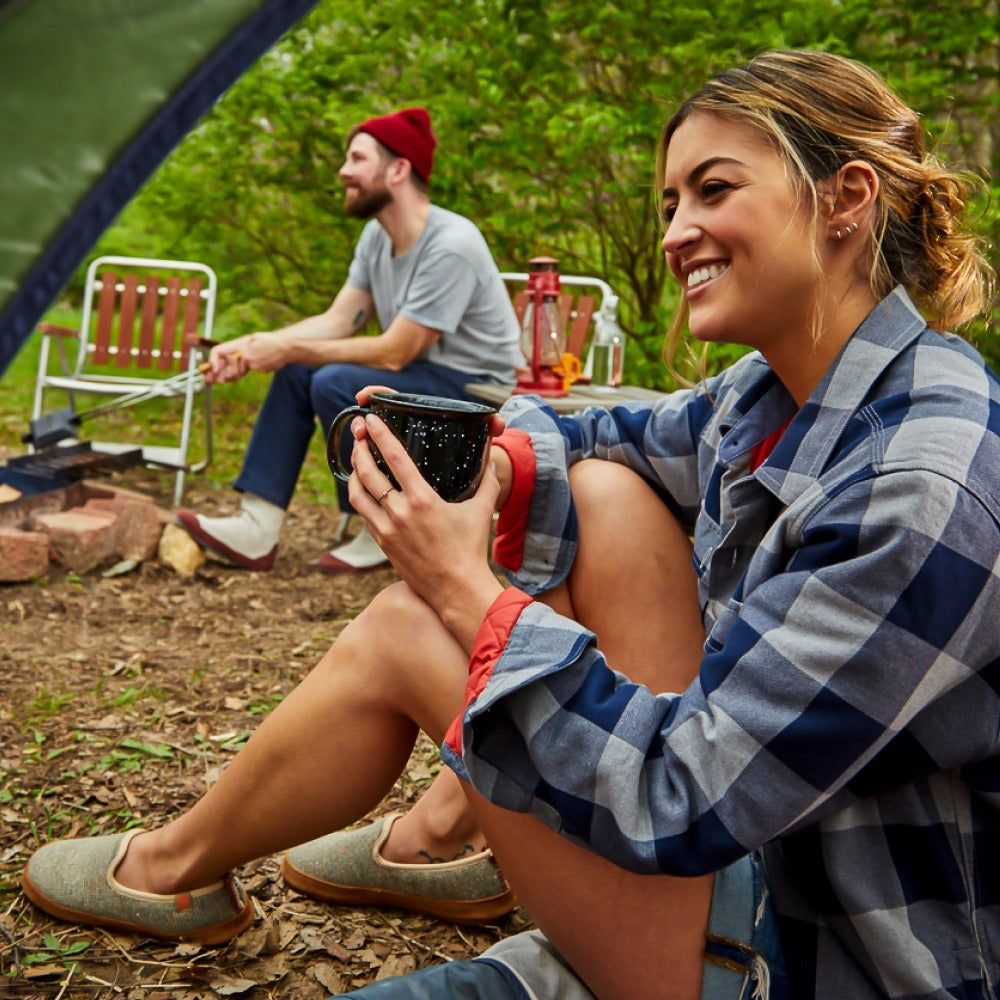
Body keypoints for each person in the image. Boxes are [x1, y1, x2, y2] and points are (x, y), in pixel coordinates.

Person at [22, 49, 1000, 999]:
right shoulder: (770, 393)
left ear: (846, 198)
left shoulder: (921, 485)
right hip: (755, 861)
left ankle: (177, 863)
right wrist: (489, 456)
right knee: (602, 485)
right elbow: (613, 436)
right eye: (669, 204)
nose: (675, 231)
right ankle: (439, 833)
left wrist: (460, 586)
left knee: (415, 628)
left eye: (711, 190)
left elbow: (682, 792)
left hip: (813, 952)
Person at [175, 105, 522, 573]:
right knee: (300, 371)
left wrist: (287, 347)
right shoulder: (376, 238)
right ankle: (257, 525)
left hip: (477, 394)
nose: (344, 171)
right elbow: (340, 319)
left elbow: (397, 352)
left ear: (398, 169)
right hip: (430, 381)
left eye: (357, 159)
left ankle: (382, 525)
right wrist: (256, 344)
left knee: (335, 380)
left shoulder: (452, 243)